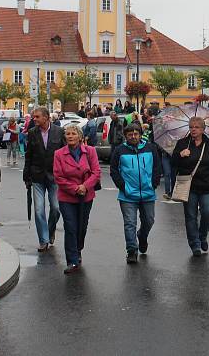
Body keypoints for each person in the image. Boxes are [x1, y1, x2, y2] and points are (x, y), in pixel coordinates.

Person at [110, 123, 161, 264]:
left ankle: (142, 236)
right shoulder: (120, 150)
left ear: (140, 134)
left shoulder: (151, 148)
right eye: (130, 134)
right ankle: (132, 250)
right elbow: (114, 170)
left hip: (148, 193)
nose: (133, 136)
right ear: (126, 136)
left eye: (136, 133)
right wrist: (123, 186)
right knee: (129, 223)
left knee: (149, 220)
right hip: (127, 195)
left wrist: (153, 183)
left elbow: (157, 167)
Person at [53, 124, 100, 273]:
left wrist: (85, 186)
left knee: (82, 226)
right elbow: (58, 176)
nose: (70, 136)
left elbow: (96, 172)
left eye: (73, 134)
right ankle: (72, 260)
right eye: (68, 134)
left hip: (86, 195)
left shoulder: (90, 151)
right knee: (70, 227)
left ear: (80, 137)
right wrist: (75, 188)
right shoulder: (59, 154)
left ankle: (78, 249)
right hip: (67, 196)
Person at [172, 117, 209, 256]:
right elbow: (173, 163)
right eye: (191, 127)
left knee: (208, 213)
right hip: (189, 187)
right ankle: (194, 244)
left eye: (197, 127)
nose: (193, 129)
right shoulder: (183, 143)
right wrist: (180, 155)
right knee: (190, 216)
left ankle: (202, 235)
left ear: (203, 129)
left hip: (207, 186)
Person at [23, 107, 63, 252]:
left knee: (56, 208)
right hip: (37, 176)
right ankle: (44, 240)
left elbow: (64, 154)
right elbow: (29, 155)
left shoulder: (59, 131)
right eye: (34, 117)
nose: (34, 119)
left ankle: (50, 230)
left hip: (54, 176)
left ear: (46, 117)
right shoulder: (33, 133)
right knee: (39, 210)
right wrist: (26, 176)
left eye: (37, 117)